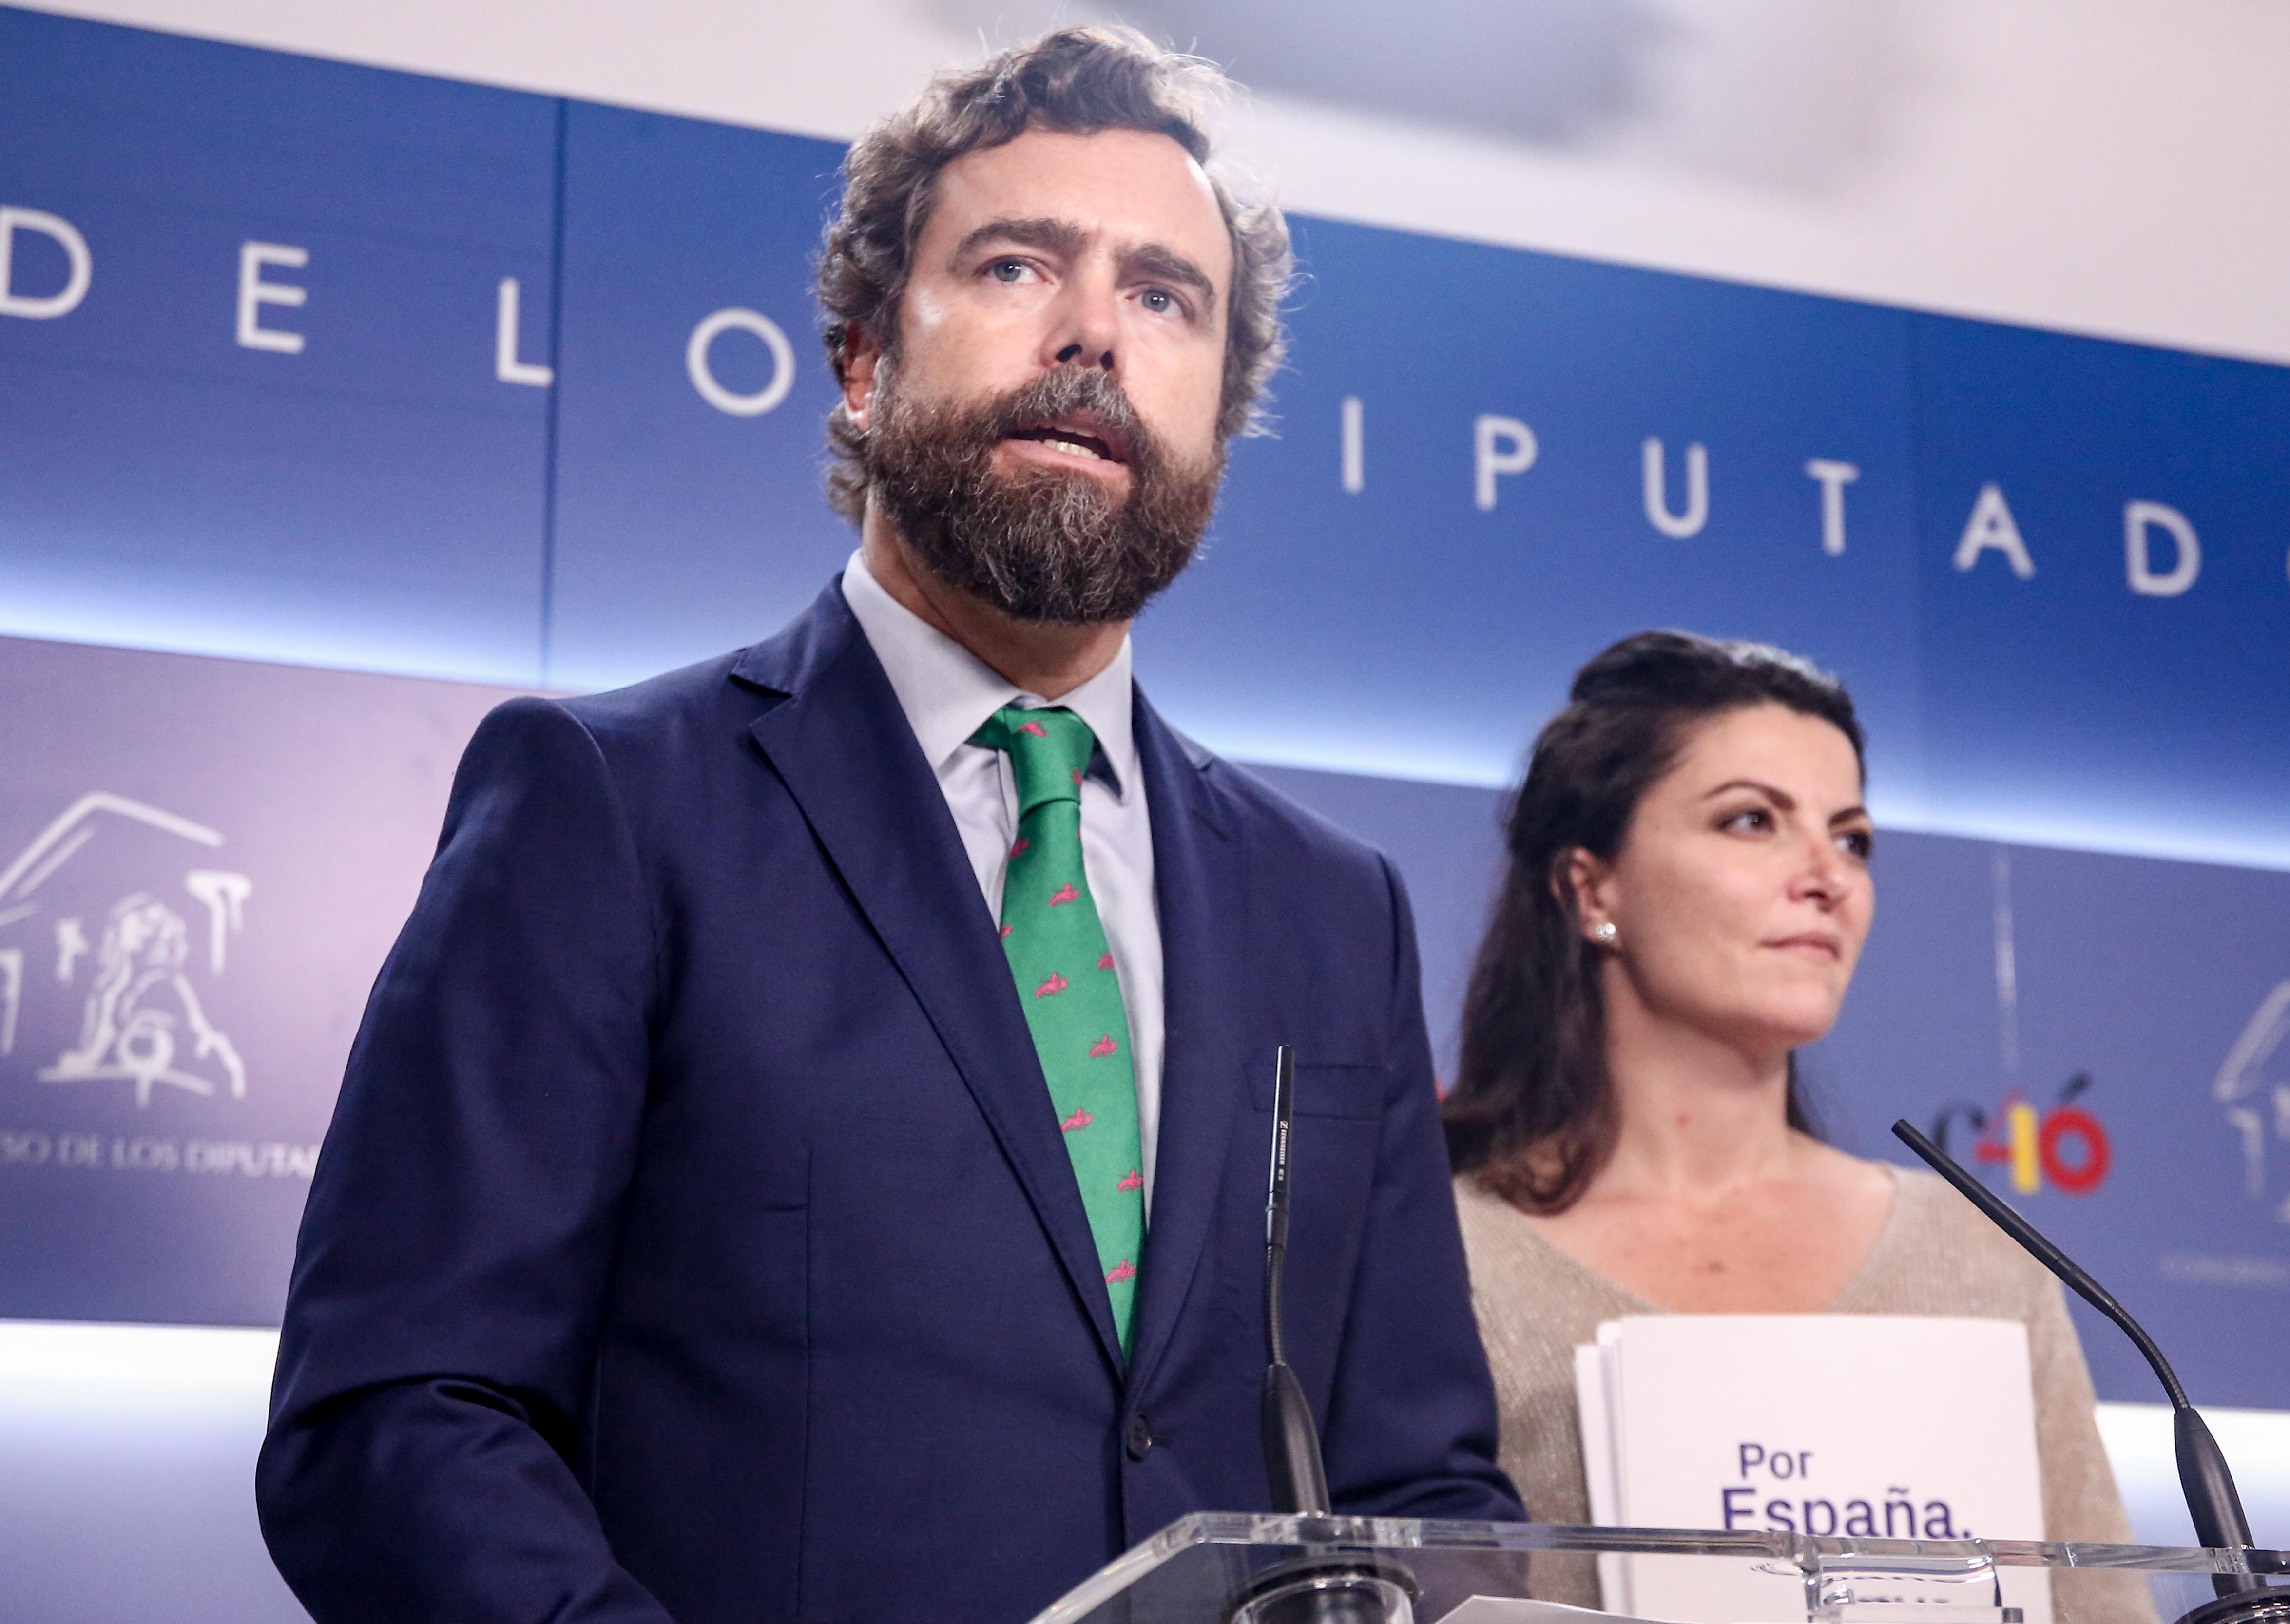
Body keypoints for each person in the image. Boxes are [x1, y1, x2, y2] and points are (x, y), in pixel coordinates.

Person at [257, 28, 1518, 1624]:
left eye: (1162, 296)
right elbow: (397, 1414)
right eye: (1015, 266)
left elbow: (1420, 1487)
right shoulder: (608, 802)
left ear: (1218, 407)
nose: (1093, 336)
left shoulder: (1335, 909)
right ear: (864, 362)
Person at [1442, 631, 2138, 1609]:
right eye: (1750, 820)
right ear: (1591, 885)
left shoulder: (1977, 1251)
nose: (1827, 874)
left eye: (1851, 836)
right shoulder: (1444, 1253)